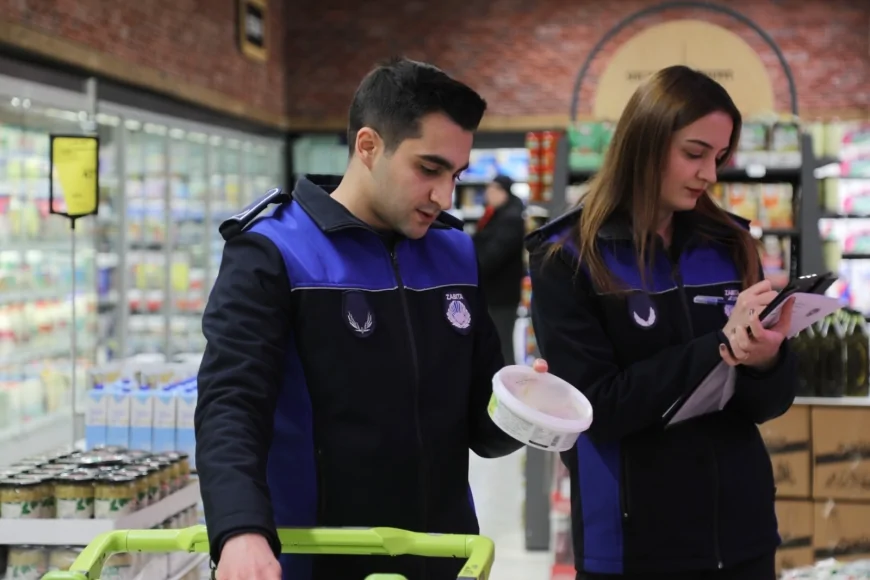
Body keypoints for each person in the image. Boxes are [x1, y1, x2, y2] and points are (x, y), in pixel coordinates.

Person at [194, 57, 545, 580]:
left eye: (456, 174)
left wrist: (525, 408)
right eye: (428, 169)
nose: (443, 196)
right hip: (321, 556)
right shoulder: (274, 252)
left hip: (441, 556)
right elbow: (231, 404)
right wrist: (240, 529)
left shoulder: (453, 253)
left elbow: (479, 425)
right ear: (368, 146)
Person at [525, 65, 797, 580]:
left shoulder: (731, 245)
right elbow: (597, 407)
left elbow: (766, 405)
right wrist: (720, 344)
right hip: (632, 545)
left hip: (742, 536)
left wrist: (767, 360)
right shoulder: (568, 259)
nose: (710, 174)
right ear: (642, 145)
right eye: (693, 154)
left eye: (718, 157)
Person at [472, 174, 526, 364]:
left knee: (502, 343)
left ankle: (507, 387)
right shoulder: (496, 214)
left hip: (502, 295)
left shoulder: (510, 219)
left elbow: (492, 256)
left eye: (493, 189)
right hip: (494, 292)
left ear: (504, 192)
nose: (488, 193)